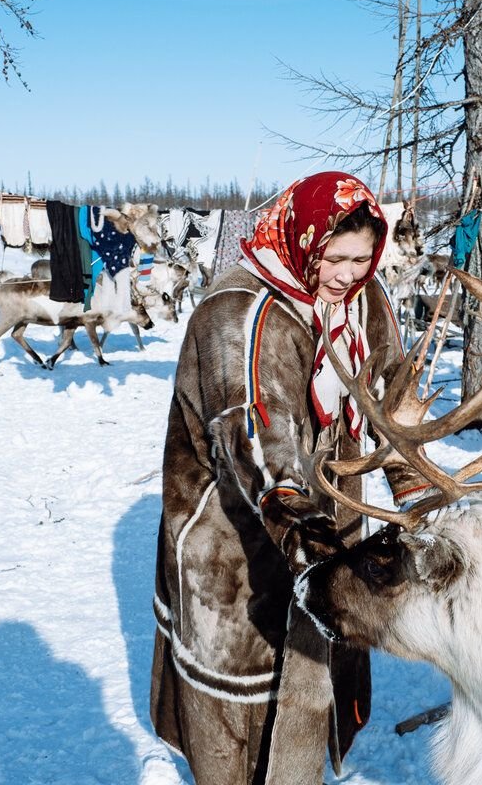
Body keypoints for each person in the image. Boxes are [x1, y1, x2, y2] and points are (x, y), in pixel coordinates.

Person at [150, 172, 424, 785]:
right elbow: (258, 438)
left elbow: (395, 398)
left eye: (362, 259)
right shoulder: (238, 314)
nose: (349, 274)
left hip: (325, 524)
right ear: (306, 241)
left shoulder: (361, 301)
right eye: (336, 258)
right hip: (234, 539)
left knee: (312, 675)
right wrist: (307, 533)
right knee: (243, 706)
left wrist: (419, 494)